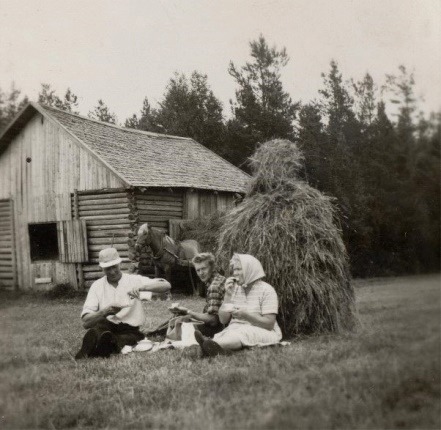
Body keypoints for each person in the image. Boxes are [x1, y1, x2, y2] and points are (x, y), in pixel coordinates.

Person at [75, 247, 171, 359]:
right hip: (106, 325)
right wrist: (105, 312)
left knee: (126, 338)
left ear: (119, 264)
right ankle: (95, 344)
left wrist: (142, 287)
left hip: (129, 329)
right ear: (102, 269)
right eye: (107, 269)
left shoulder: (133, 280)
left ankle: (101, 347)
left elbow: (166, 285)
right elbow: (86, 322)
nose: (112, 272)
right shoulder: (97, 286)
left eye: (114, 267)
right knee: (99, 330)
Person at [194, 253, 282, 356]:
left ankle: (209, 346)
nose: (235, 273)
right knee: (228, 333)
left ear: (250, 269)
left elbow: (269, 324)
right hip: (236, 328)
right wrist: (227, 295)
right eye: (234, 270)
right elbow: (223, 320)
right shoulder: (235, 289)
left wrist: (246, 315)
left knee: (242, 334)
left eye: (239, 269)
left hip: (264, 331)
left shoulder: (266, 290)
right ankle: (212, 346)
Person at [147, 252, 225, 339]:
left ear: (212, 267)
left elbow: (213, 321)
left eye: (203, 269)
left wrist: (189, 312)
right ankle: (154, 333)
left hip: (216, 330)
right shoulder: (219, 279)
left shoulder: (214, 286)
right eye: (198, 270)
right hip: (220, 326)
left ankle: (154, 334)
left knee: (182, 320)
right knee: (181, 316)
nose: (201, 273)